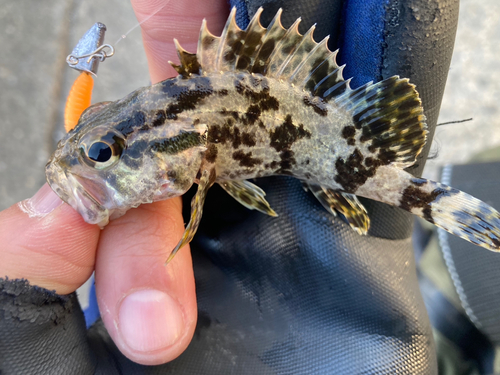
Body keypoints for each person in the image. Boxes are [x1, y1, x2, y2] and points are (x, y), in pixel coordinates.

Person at [0, 0, 459, 373]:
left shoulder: (195, 125)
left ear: (183, 141)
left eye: (104, 154)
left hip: (351, 150)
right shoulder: (185, 124)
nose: (75, 170)